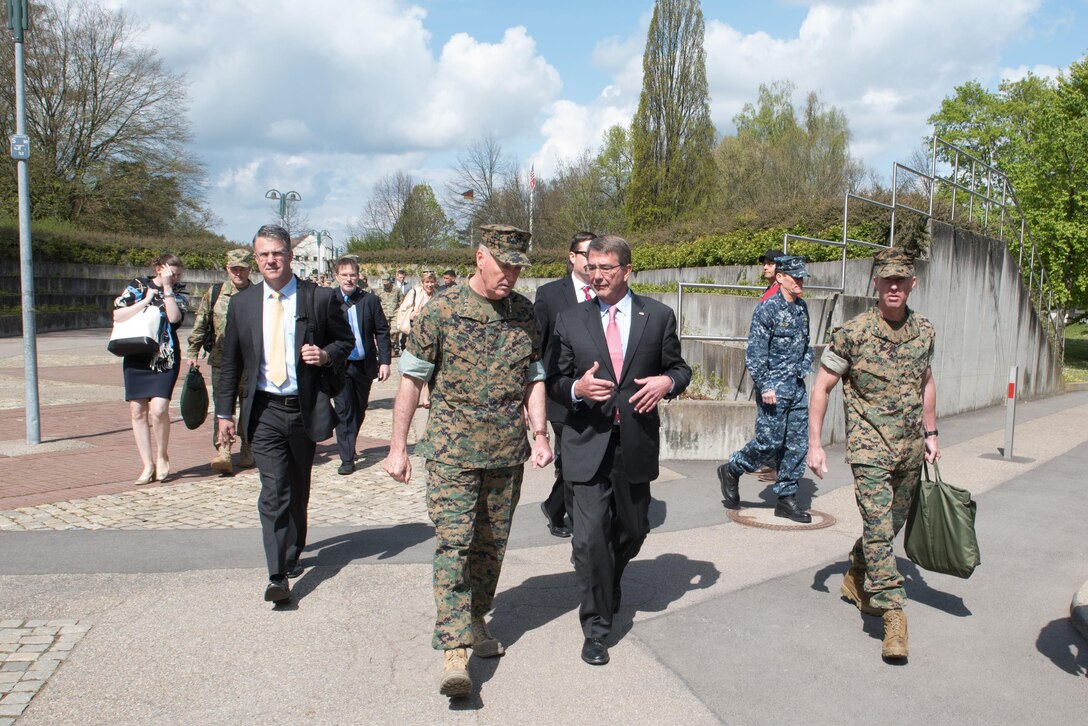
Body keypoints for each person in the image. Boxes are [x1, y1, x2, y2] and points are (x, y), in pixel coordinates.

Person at [382, 224, 553, 699]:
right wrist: (397, 447)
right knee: (454, 544)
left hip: (506, 454)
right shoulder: (441, 311)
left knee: (491, 545)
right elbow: (412, 383)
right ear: (480, 256)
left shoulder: (525, 314)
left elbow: (533, 380)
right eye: (504, 264)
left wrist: (540, 434)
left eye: (518, 266)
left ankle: (476, 618)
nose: (511, 275)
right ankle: (454, 649)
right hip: (452, 454)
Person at [547, 235, 691, 667]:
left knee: (633, 531)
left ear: (628, 271)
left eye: (606, 267)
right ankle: (596, 628)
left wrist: (668, 383)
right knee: (589, 540)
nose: (597, 275)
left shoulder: (658, 316)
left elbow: (679, 368)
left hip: (635, 443)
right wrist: (576, 387)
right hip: (585, 442)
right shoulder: (572, 320)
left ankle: (609, 580)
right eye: (591, 267)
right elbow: (555, 378)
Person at [807, 247, 940, 662]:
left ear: (912, 284)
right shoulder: (853, 333)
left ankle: (855, 574)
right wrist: (815, 444)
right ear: (876, 284)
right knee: (880, 530)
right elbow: (822, 388)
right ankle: (893, 613)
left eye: (901, 279)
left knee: (891, 524)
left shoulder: (924, 331)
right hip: (869, 450)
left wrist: (932, 432)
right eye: (887, 279)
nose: (894, 286)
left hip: (910, 451)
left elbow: (927, 381)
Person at [216, 225, 355, 605]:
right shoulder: (242, 305)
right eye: (263, 255)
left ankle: (293, 548)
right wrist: (224, 412)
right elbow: (229, 364)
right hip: (263, 411)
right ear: (256, 258)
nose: (270, 261)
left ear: (290, 256)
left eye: (277, 253)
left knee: (297, 490)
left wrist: (325, 355)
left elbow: (347, 342)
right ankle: (277, 574)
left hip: (304, 407)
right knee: (273, 491)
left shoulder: (318, 298)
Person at [717, 255, 814, 523]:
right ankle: (733, 468)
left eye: (802, 277)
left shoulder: (801, 308)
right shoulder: (767, 309)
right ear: (781, 277)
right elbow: (756, 353)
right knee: (769, 442)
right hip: (773, 389)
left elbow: (807, 344)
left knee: (796, 444)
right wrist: (765, 384)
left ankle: (786, 498)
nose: (800, 282)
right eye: (795, 277)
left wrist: (805, 365)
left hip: (795, 386)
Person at [533, 230, 596, 538]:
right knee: (570, 459)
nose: (594, 261)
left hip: (596, 393)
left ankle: (555, 504)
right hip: (559, 393)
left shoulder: (606, 289)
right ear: (572, 257)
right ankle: (573, 519)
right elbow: (537, 346)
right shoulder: (549, 294)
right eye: (587, 254)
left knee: (580, 458)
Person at [113, 254, 189, 485]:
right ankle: (147, 464)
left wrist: (167, 289)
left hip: (164, 356)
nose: (174, 277)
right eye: (170, 273)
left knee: (158, 409)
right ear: (158, 268)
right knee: (137, 411)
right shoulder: (137, 286)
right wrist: (146, 300)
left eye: (177, 274)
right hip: (136, 354)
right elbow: (118, 314)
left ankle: (162, 455)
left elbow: (175, 319)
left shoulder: (178, 291)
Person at [186, 248, 255, 476]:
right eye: (234, 269)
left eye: (242, 269)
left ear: (249, 269)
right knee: (223, 406)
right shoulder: (215, 293)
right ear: (227, 269)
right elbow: (201, 321)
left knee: (248, 406)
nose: (238, 273)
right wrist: (193, 350)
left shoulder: (257, 295)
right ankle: (223, 449)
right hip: (222, 360)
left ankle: (247, 447)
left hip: (249, 362)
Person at [332, 256, 391, 475]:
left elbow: (382, 331)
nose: (348, 279)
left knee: (359, 408)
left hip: (364, 364)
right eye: (344, 275)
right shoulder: (330, 300)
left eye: (352, 275)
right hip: (340, 365)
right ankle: (346, 458)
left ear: (358, 276)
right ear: (337, 276)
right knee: (344, 409)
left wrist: (384, 361)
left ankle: (350, 441)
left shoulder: (370, 301)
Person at [396, 270, 437, 408]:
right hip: (415, 335)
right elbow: (404, 311)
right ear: (422, 282)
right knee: (413, 368)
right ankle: (410, 397)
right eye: (427, 282)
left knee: (430, 366)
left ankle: (426, 398)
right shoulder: (414, 293)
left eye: (432, 282)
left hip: (432, 336)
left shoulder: (438, 295)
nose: (430, 285)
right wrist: (414, 315)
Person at [376, 275, 405, 354]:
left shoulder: (396, 290)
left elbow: (402, 301)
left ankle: (392, 345)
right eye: (384, 283)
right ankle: (385, 348)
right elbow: (376, 302)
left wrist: (401, 311)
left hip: (395, 314)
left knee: (394, 331)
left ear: (390, 281)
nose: (385, 285)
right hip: (384, 314)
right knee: (384, 332)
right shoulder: (379, 291)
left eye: (387, 283)